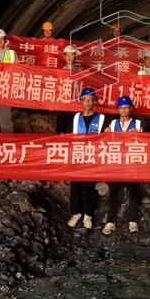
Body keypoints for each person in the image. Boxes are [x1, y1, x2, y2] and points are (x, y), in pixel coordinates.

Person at [103, 96, 143, 235]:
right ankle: (110, 221)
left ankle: (133, 221)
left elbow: (145, 143)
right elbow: (106, 142)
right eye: (121, 107)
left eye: (127, 107)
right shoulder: (113, 124)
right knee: (114, 193)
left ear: (131, 109)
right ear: (118, 109)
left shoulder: (137, 124)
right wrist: (106, 135)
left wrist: (141, 135)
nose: (124, 110)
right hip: (117, 163)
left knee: (133, 193)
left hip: (132, 162)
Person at [67, 88, 105, 230]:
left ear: (94, 101)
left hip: (93, 157)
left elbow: (108, 136)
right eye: (85, 99)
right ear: (81, 101)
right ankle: (76, 213)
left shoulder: (102, 118)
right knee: (75, 186)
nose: (88, 102)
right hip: (77, 156)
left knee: (90, 187)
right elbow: (69, 137)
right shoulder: (75, 117)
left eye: (90, 99)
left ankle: (88, 215)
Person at [55, 45, 83, 134]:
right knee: (60, 128)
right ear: (64, 56)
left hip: (75, 104)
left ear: (75, 56)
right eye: (67, 55)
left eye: (72, 55)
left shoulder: (81, 72)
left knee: (73, 128)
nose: (69, 57)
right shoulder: (60, 72)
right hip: (63, 104)